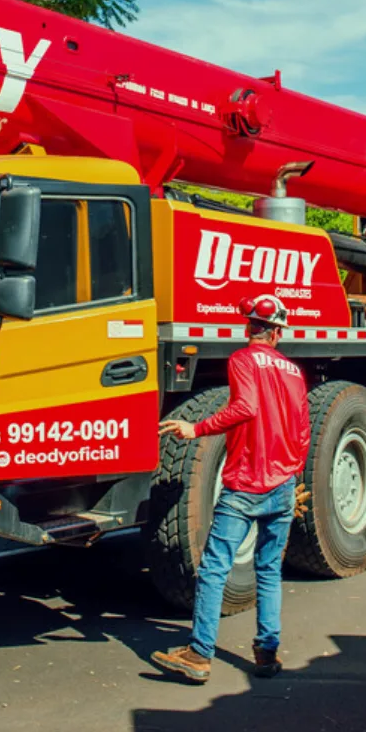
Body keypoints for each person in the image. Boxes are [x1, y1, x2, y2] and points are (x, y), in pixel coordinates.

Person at [151, 293, 310, 684]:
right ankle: (267, 654)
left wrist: (197, 428)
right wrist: (293, 475)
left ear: (249, 328)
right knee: (268, 570)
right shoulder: (293, 372)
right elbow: (303, 430)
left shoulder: (242, 359)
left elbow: (246, 408)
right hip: (282, 485)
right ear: (277, 333)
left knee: (214, 568)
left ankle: (200, 654)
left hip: (245, 484)